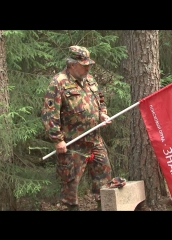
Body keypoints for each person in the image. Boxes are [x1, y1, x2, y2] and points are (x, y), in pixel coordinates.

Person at [41, 45, 112, 211]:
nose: (88, 68)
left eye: (89, 65)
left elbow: (100, 99)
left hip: (95, 140)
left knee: (105, 181)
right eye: (84, 65)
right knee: (70, 187)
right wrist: (57, 140)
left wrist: (103, 114)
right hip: (72, 143)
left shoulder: (90, 79)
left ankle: (104, 207)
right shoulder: (58, 83)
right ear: (72, 65)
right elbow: (49, 114)